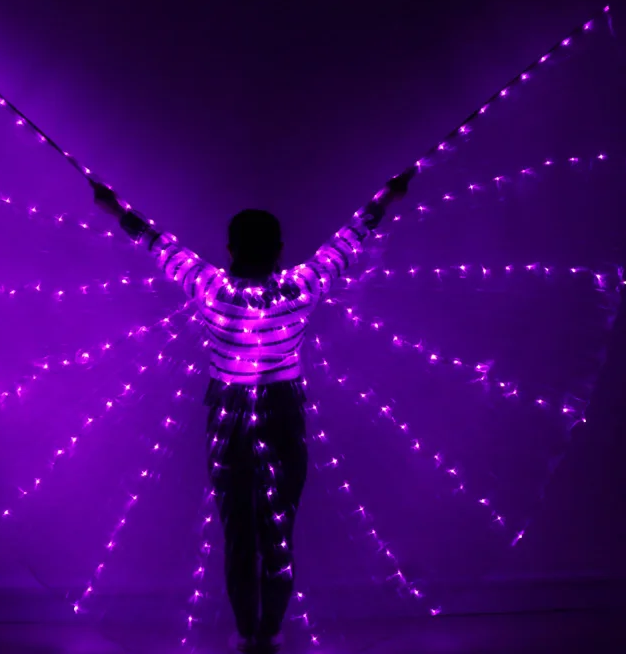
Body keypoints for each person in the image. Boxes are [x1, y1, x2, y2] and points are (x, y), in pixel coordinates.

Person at [92, 168, 414, 652]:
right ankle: (270, 634)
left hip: (228, 416)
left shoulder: (209, 286)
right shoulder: (302, 287)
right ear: (280, 249)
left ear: (229, 249)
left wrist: (114, 207)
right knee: (277, 530)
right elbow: (350, 238)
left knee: (238, 531)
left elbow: (156, 243)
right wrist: (388, 197)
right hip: (283, 413)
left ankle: (247, 635)